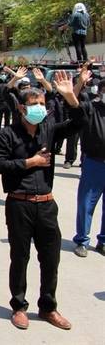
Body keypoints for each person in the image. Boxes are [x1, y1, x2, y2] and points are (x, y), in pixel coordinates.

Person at [0, 71, 80, 330]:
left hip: (46, 204)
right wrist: (30, 162)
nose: (39, 108)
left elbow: (78, 124)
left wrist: (71, 98)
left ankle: (48, 307)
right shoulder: (8, 134)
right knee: (20, 257)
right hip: (19, 203)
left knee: (51, 258)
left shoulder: (49, 130)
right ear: (21, 108)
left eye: (42, 104)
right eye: (34, 104)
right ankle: (19, 306)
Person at [70, 66, 105, 257]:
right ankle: (82, 240)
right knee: (86, 203)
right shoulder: (91, 108)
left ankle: (103, 241)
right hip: (94, 162)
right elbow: (73, 102)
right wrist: (79, 83)